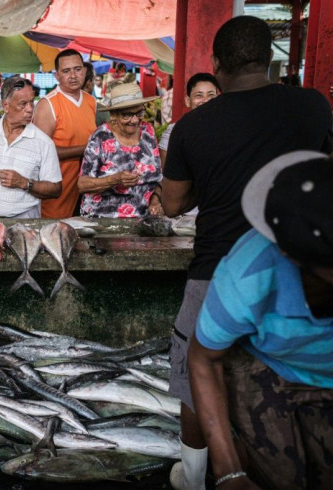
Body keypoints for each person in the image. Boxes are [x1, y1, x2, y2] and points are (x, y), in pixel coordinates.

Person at [162, 15, 332, 490]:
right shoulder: (312, 107)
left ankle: (195, 479)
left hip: (216, 265)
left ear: (215, 65)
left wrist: (212, 184)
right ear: (271, 60)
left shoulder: (193, 127)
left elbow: (173, 201)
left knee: (197, 378)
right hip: (302, 258)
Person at [189, 150, 333, 490]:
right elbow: (203, 359)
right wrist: (229, 472)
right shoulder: (247, 275)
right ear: (291, 254)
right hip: (269, 368)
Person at [0, 77, 61, 219]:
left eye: (32, 102)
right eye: (23, 104)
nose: (30, 109)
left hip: (24, 222)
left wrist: (24, 183)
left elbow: (56, 190)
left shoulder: (44, 143)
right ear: (6, 105)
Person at [77, 82, 162, 218]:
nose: (134, 120)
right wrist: (115, 180)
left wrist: (156, 200)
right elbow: (82, 185)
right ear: (114, 115)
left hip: (143, 220)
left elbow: (158, 178)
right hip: (103, 221)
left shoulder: (148, 132)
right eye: (127, 115)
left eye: (139, 112)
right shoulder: (100, 137)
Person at [33, 48, 96, 218]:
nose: (73, 76)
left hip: (85, 191)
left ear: (84, 71)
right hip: (57, 191)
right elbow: (38, 154)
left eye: (77, 69)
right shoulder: (48, 105)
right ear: (57, 76)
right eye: (66, 71)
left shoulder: (91, 101)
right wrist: (85, 149)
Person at [159, 73, 220, 168]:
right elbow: (166, 172)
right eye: (199, 95)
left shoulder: (226, 128)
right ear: (187, 101)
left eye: (211, 95)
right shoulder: (173, 131)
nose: (206, 100)